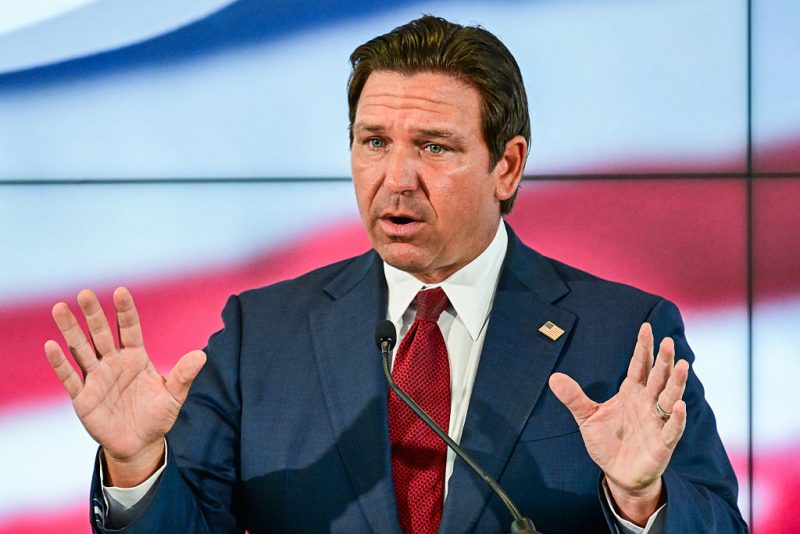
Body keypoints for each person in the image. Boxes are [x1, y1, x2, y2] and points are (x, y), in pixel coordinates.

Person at [44, 15, 746, 534]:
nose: (396, 178)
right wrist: (137, 465)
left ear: (506, 166)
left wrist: (640, 500)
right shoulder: (262, 335)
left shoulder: (622, 334)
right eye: (374, 142)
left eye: (434, 147)